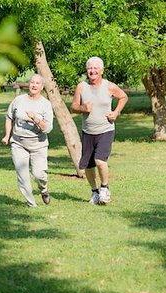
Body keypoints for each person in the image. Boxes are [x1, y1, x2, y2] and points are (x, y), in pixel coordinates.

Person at [71, 57, 128, 205]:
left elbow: (123, 97)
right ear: (87, 70)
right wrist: (83, 108)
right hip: (88, 131)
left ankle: (105, 188)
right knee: (88, 166)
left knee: (100, 160)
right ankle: (94, 192)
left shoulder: (109, 86)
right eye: (90, 68)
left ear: (101, 71)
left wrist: (116, 113)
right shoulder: (81, 87)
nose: (92, 70)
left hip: (105, 129)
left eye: (96, 68)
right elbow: (74, 106)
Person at [2, 74, 54, 207]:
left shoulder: (46, 104)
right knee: (22, 175)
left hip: (38, 144)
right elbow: (9, 117)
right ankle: (31, 204)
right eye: (32, 82)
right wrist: (7, 135)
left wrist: (35, 119)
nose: (34, 85)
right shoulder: (18, 100)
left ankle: (44, 189)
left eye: (37, 83)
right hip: (18, 142)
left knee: (38, 175)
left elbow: (47, 129)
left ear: (42, 87)